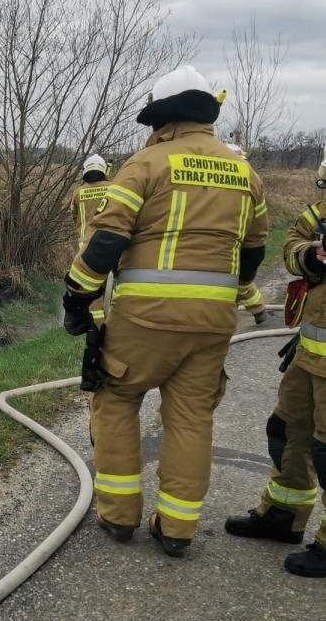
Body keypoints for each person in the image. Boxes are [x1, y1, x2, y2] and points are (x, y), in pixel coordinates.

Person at [62, 66, 268, 557]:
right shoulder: (246, 174)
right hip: (213, 324)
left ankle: (118, 515)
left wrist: (77, 298)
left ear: (161, 116)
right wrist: (236, 295)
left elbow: (106, 241)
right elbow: (254, 250)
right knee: (192, 417)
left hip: (145, 319)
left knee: (115, 399)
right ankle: (177, 528)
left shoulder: (146, 164)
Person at [225, 148, 326, 578]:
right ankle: (283, 515)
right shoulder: (320, 211)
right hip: (310, 352)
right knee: (289, 430)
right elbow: (291, 245)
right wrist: (309, 256)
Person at [226, 143, 268, 325]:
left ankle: (255, 310)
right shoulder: (248, 176)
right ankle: (258, 310)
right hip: (241, 238)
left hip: (235, 238)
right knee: (240, 278)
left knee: (238, 280)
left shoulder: (243, 176)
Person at [69, 153, 111, 324]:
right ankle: (113, 319)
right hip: (111, 245)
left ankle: (96, 325)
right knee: (112, 284)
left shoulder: (78, 193)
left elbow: (74, 217)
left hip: (86, 249)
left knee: (91, 287)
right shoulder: (114, 188)